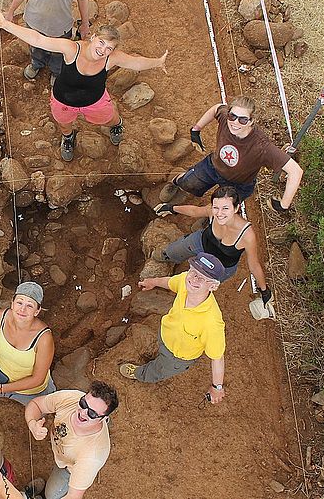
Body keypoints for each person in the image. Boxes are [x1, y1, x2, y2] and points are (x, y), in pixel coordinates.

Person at [0, 13, 166, 161]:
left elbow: (136, 63)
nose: (103, 50)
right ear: (93, 37)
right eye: (101, 43)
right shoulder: (72, 49)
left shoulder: (112, 59)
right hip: (63, 100)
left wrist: (158, 62)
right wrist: (5, 24)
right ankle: (68, 138)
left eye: (109, 48)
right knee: (64, 125)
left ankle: (117, 125)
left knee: (109, 118)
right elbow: (38, 39)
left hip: (95, 100)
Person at [118, 253, 228, 403]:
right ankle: (157, 354)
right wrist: (153, 282)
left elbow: (217, 358)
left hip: (177, 358)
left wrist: (217, 387)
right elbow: (170, 282)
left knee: (158, 370)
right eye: (194, 272)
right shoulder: (185, 280)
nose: (194, 279)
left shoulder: (212, 322)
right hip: (165, 333)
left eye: (202, 278)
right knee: (160, 349)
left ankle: (140, 374)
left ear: (213, 286)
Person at [163, 96, 304, 211]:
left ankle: (209, 218)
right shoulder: (225, 118)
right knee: (188, 183)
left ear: (252, 121)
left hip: (239, 184)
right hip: (212, 167)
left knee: (222, 209)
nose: (235, 122)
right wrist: (196, 129)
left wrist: (283, 204)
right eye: (233, 116)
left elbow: (295, 171)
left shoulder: (262, 147)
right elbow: (216, 109)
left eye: (243, 119)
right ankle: (176, 183)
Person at [154, 185, 272, 304]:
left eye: (225, 208)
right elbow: (194, 211)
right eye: (216, 207)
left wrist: (264, 289)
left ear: (236, 208)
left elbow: (254, 265)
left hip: (221, 267)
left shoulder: (247, 235)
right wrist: (171, 208)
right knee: (174, 250)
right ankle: (168, 256)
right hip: (201, 243)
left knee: (200, 288)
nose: (219, 213)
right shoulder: (212, 211)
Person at [24, 380, 117, 499]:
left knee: (52, 495)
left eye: (92, 414)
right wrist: (32, 424)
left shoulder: (92, 457)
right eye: (83, 403)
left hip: (70, 467)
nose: (82, 413)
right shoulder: (71, 398)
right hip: (62, 453)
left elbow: (73, 496)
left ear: (103, 419)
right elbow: (36, 405)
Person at [0, 282, 56, 405]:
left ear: (37, 311)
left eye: (29, 306)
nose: (22, 309)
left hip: (29, 390)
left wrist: (0, 389)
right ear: (12, 303)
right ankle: (0, 399)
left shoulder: (44, 339)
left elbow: (38, 379)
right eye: (19, 302)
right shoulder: (1, 317)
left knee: (41, 413)